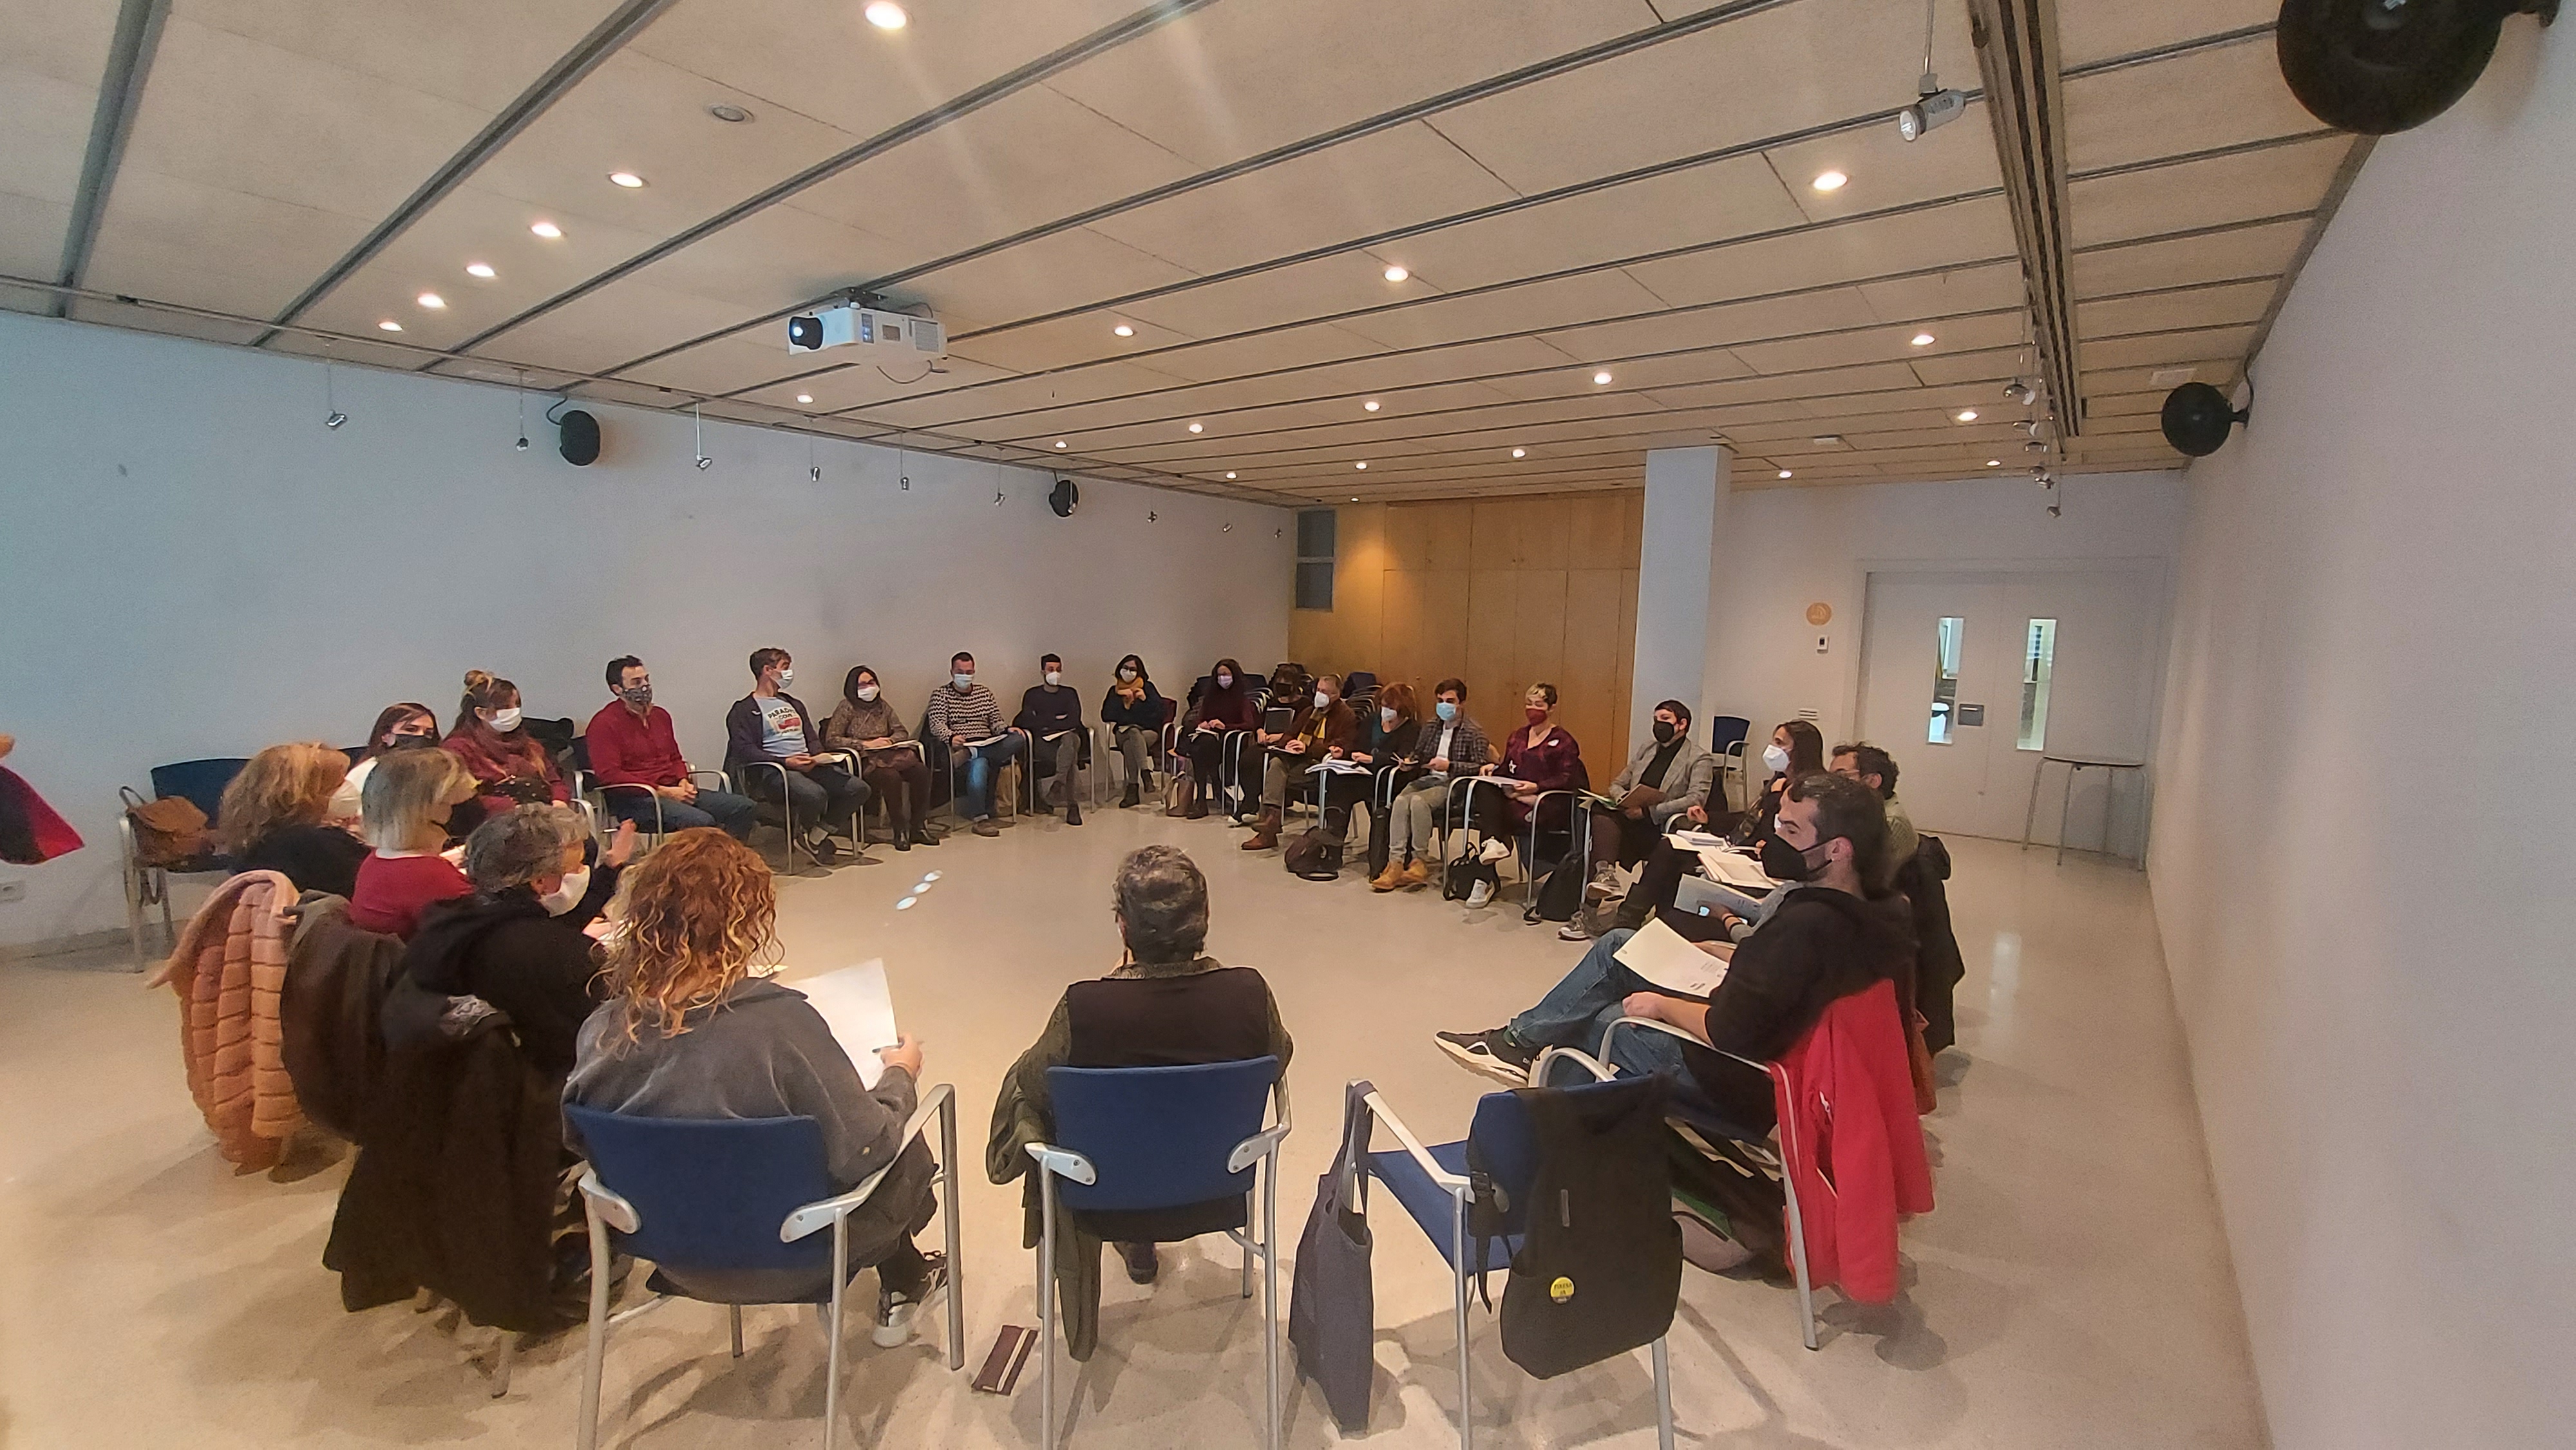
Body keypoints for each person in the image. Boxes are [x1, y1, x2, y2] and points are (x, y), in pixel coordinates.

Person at [564, 830, 948, 1342]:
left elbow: (580, 1139)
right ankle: (905, 1277)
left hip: (667, 1247)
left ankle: (906, 1275)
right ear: (745, 922)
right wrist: (900, 1074)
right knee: (899, 1135)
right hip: (799, 1254)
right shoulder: (781, 1025)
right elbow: (868, 1150)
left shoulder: (602, 1029)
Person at [1434, 772, 1915, 1135]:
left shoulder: (1807, 924)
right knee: (1622, 944)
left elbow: (1731, 1031)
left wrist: (1662, 1005)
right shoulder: (1879, 910)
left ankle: (1555, 1137)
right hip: (1775, 1037)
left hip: (1743, 1078)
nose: (1772, 841)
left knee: (1601, 1018)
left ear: (1838, 850)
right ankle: (1517, 1046)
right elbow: (1790, 982)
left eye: (1790, 830)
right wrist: (1726, 954)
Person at [987, 846, 1293, 1357]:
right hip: (1218, 1188)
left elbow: (1035, 1083)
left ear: (1123, 928)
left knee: (1028, 1088)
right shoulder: (1249, 993)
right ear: (1206, 916)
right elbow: (1278, 1060)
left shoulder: (1085, 1006)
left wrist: (1114, 984)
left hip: (1102, 1196)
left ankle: (1133, 1240)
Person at [403, 805, 635, 1075]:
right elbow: (604, 1034)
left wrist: (611, 868)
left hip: (457, 1078)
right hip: (542, 1084)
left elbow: (540, 928)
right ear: (540, 882)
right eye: (574, 869)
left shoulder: (447, 921)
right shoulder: (556, 953)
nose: (582, 873)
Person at [1611, 717, 1828, 934]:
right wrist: (1709, 819)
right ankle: (1633, 917)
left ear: (1800, 750)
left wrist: (1775, 798)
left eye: (1780, 743)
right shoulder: (1780, 780)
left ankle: (1648, 921)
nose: (1772, 748)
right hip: (1738, 843)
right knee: (1670, 847)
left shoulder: (1804, 791)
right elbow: (1750, 818)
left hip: (1757, 856)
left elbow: (1772, 827)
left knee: (1675, 859)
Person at [586, 656, 759, 842]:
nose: (645, 686)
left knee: (743, 807)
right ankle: (703, 859)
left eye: (646, 679)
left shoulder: (660, 716)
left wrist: (683, 780)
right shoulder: (604, 724)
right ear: (617, 689)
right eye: (636, 682)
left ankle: (727, 857)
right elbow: (609, 774)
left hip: (674, 789)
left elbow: (675, 758)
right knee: (701, 821)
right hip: (636, 799)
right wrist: (663, 791)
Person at [726, 648, 869, 863]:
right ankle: (810, 837)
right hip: (776, 771)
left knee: (858, 789)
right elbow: (745, 750)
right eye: (785, 668)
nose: (789, 673)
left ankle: (814, 837)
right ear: (768, 670)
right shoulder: (744, 710)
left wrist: (818, 757)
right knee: (814, 794)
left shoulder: (793, 704)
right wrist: (785, 761)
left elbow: (811, 737)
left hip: (808, 764)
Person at [1577, 700, 1716, 911]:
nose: (1658, 724)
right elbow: (1617, 783)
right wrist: (1623, 798)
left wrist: (1649, 812)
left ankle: (1594, 903)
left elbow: (1696, 798)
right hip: (1630, 815)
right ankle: (1605, 877)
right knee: (1599, 810)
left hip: (1659, 825)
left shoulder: (1699, 758)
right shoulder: (1647, 749)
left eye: (1665, 719)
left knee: (1603, 843)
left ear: (1682, 724)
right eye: (1655, 719)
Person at [1459, 683, 1582, 906]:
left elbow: (1567, 778)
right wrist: (1492, 771)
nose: (1532, 709)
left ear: (1551, 708)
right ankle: (1493, 848)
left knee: (1493, 820)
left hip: (1544, 803)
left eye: (1539, 705)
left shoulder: (1563, 741)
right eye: (1529, 704)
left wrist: (1536, 787)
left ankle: (1485, 874)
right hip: (1514, 796)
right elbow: (1507, 768)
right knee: (1483, 787)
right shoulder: (1517, 736)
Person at [346, 747, 477, 938]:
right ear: (422, 811)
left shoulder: (376, 860)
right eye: (450, 804)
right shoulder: (430, 878)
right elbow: (481, 936)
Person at [1373, 678, 1488, 890]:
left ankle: (1420, 861)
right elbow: (1419, 753)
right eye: (1440, 700)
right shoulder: (1431, 726)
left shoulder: (1473, 732)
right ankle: (1395, 862)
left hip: (1453, 783)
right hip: (1428, 778)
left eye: (1450, 701)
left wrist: (1450, 765)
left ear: (1462, 703)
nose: (1444, 705)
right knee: (1400, 801)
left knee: (1418, 802)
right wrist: (1409, 762)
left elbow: (1480, 766)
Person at [222, 742, 370, 896]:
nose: (350, 787)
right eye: (340, 783)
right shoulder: (315, 843)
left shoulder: (258, 844)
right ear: (303, 796)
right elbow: (374, 890)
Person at [824, 665, 939, 851]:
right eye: (862, 684)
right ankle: (899, 829)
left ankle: (918, 826)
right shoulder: (846, 707)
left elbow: (901, 731)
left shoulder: (883, 706)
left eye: (871, 682)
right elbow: (832, 739)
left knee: (921, 771)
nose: (869, 687)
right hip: (864, 760)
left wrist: (890, 741)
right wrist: (865, 744)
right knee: (890, 777)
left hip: (889, 755)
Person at [1242, 672, 1357, 851]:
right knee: (1276, 763)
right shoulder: (1310, 712)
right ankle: (1270, 824)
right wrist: (1289, 744)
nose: (1319, 695)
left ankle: (1269, 829)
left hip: (1320, 764)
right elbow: (1289, 733)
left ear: (1336, 695)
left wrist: (1307, 748)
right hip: (1298, 760)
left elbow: (1342, 746)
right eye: (1318, 690)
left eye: (1325, 692)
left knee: (1277, 773)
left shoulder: (1346, 716)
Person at [445, 671, 569, 817]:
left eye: (517, 704)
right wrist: (513, 807)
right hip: (489, 822)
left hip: (540, 816)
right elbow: (462, 799)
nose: (514, 711)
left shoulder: (530, 746)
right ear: (481, 713)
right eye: (505, 707)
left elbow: (555, 782)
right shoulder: (457, 750)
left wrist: (559, 801)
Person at [925, 652, 1020, 838]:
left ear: (974, 672)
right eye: (960, 672)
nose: (965, 676)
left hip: (987, 742)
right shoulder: (941, 695)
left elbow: (996, 721)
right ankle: (980, 819)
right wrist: (951, 737)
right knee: (980, 763)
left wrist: (1007, 729)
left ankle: (974, 752)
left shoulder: (984, 693)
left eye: (969, 672)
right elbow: (936, 725)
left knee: (1018, 738)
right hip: (960, 746)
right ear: (952, 672)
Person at [1347, 681, 1424, 875]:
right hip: (1363, 773)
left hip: (1391, 778)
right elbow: (1356, 745)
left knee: (1380, 798)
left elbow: (1404, 757)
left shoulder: (1412, 729)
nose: (1385, 710)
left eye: (1391, 707)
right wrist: (1344, 752)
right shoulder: (1371, 721)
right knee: (1338, 787)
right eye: (1383, 705)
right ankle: (1331, 842)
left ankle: (1384, 853)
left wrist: (1374, 758)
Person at [328, 702, 441, 823]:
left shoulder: (435, 772)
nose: (421, 736)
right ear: (385, 736)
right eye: (411, 730)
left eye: (428, 733)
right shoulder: (367, 772)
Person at [1177, 657, 1258, 820]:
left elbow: (1248, 724)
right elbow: (1199, 718)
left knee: (1201, 748)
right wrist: (1203, 724)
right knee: (1203, 745)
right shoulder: (1210, 697)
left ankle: (1203, 798)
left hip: (1229, 740)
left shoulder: (1241, 699)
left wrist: (1225, 726)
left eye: (1226, 674)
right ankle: (1213, 789)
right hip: (1208, 738)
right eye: (1219, 675)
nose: (1222, 678)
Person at [1014, 654, 1086, 827]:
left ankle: (1060, 784)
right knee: (1070, 758)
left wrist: (1047, 721)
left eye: (1058, 670)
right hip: (1043, 742)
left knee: (1070, 740)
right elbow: (1029, 721)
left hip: (1068, 739)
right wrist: (1057, 720)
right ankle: (1072, 806)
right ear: (1043, 672)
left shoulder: (1070, 693)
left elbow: (1074, 720)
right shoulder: (1032, 695)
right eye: (1051, 669)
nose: (1055, 673)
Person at [1831, 740, 1918, 871]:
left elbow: (1860, 874)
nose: (1831, 785)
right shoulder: (1860, 810)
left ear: (1873, 781)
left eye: (1841, 776)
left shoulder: (1890, 823)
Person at [1100, 654, 1166, 809]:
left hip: (1148, 733)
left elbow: (1161, 713)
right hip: (1122, 733)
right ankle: (1146, 774)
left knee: (1132, 740)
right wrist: (1121, 702)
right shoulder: (1114, 691)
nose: (1128, 672)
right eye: (1126, 668)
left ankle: (1133, 789)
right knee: (1132, 732)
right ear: (1120, 669)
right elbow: (1106, 716)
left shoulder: (1148, 688)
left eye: (1133, 669)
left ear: (1140, 672)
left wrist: (1145, 700)